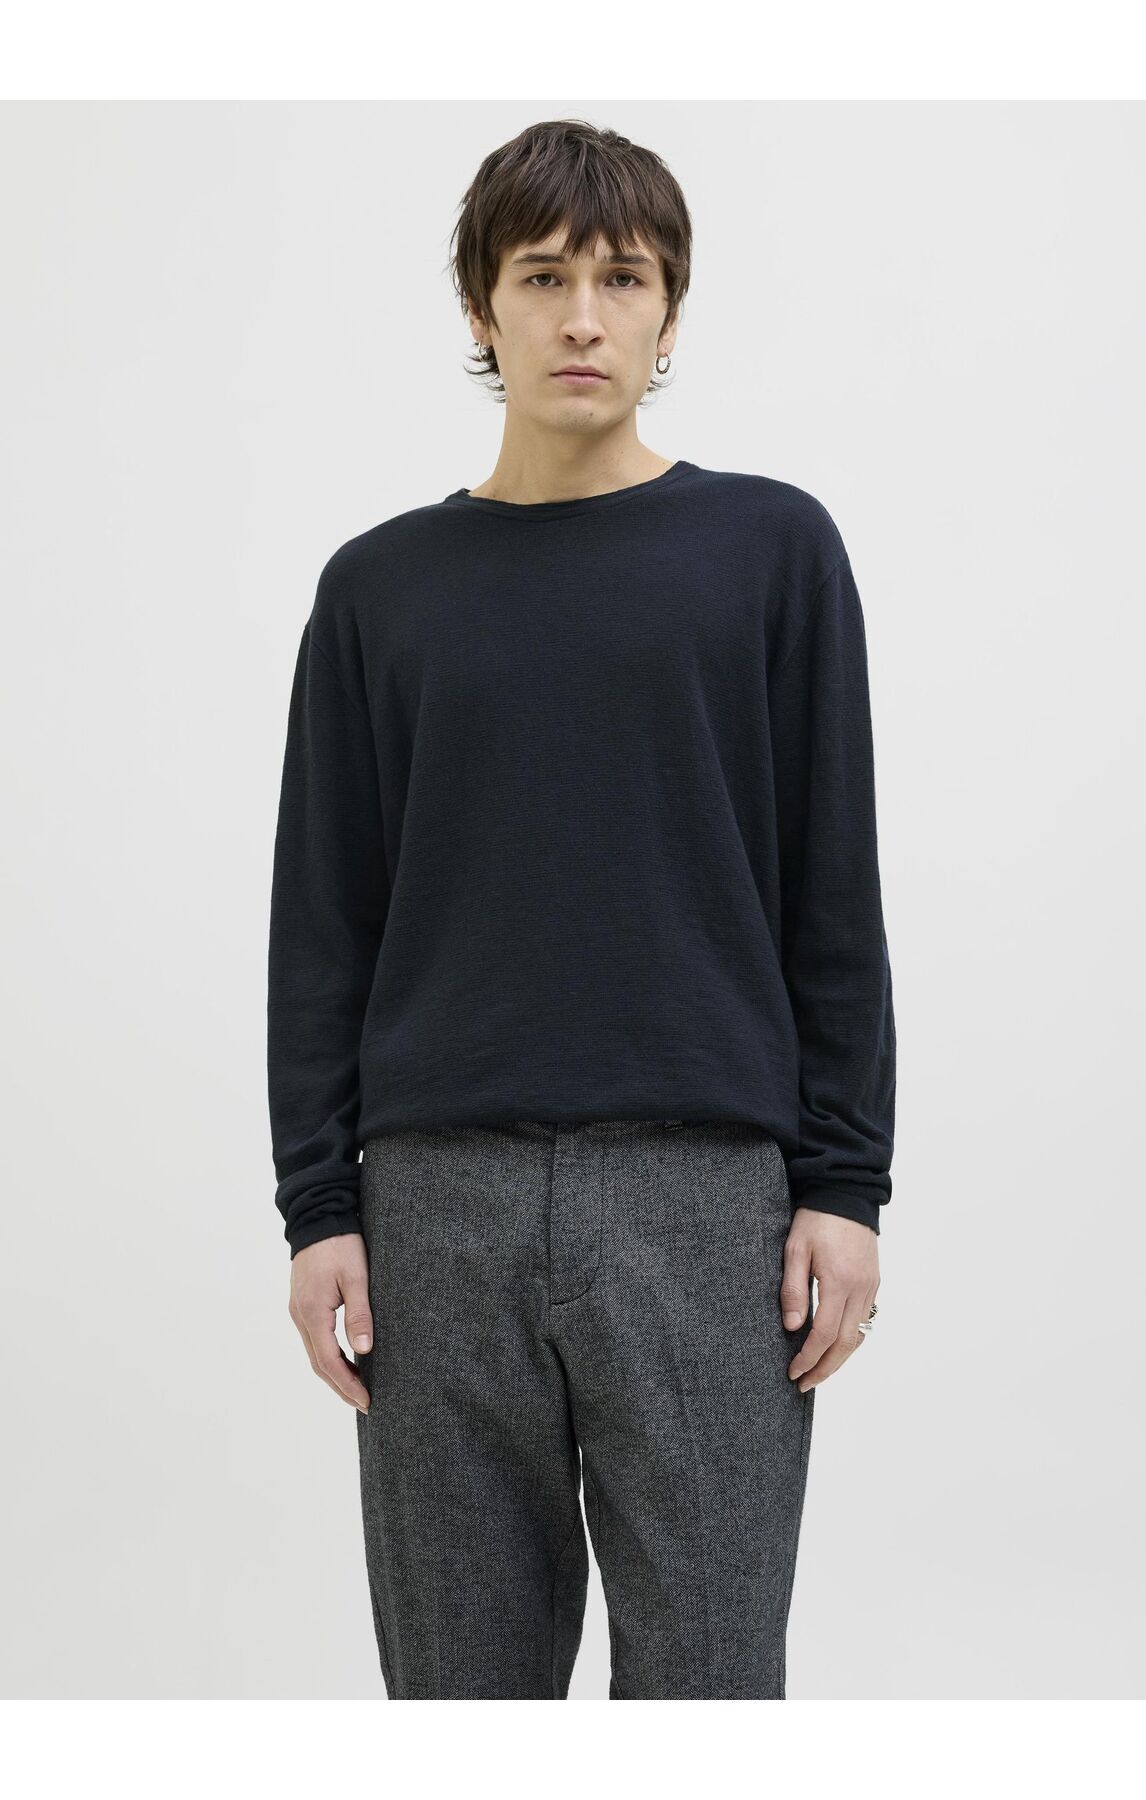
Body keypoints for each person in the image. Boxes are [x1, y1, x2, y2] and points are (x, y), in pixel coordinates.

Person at [267, 118, 896, 1701]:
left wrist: (846, 1185)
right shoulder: (379, 589)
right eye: (542, 277)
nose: (583, 317)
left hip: (705, 1201)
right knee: (458, 1694)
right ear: (479, 305)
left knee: (708, 1682)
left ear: (671, 309)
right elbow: (324, 920)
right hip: (435, 1207)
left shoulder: (771, 550)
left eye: (624, 278)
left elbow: (831, 888)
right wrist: (319, 1207)